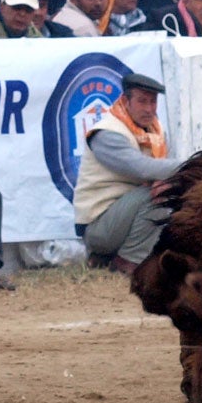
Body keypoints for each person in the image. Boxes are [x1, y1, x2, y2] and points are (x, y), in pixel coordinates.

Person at [73, 72, 178, 275]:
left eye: (153, 102)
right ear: (125, 101)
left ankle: (108, 257)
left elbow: (160, 170)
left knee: (169, 190)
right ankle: (128, 261)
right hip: (97, 225)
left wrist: (171, 179)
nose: (149, 109)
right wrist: (192, 166)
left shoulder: (155, 130)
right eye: (142, 101)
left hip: (121, 216)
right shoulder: (107, 132)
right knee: (159, 196)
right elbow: (141, 167)